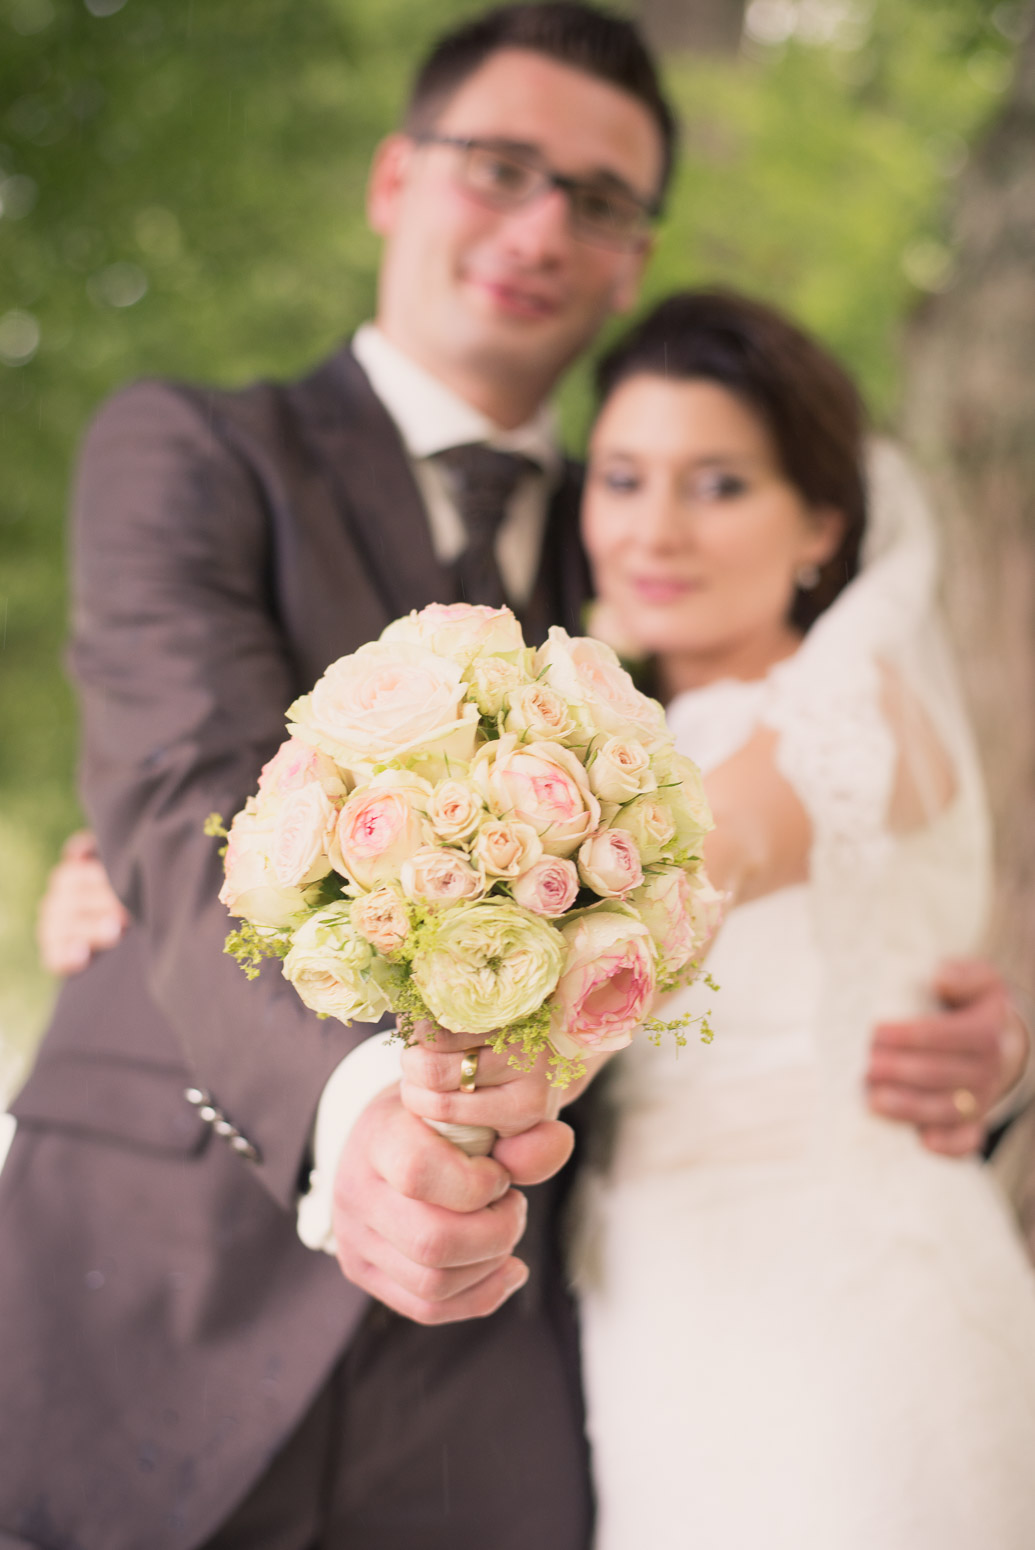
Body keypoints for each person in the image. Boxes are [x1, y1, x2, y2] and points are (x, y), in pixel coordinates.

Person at [5, 6, 1023, 1547]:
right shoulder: (197, 449)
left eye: (599, 200)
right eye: (497, 167)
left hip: (515, 1383)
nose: (542, 224)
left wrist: (955, 1049)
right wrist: (352, 1110)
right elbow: (179, 795)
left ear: (631, 259)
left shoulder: (647, 556)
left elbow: (791, 830)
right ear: (391, 180)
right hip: (164, 1295)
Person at [567, 290, 1035, 1548]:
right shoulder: (598, 736)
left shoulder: (853, 707)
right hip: (652, 1312)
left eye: (718, 484)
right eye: (622, 476)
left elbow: (695, 863)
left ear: (821, 523)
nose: (654, 527)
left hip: (852, 1310)